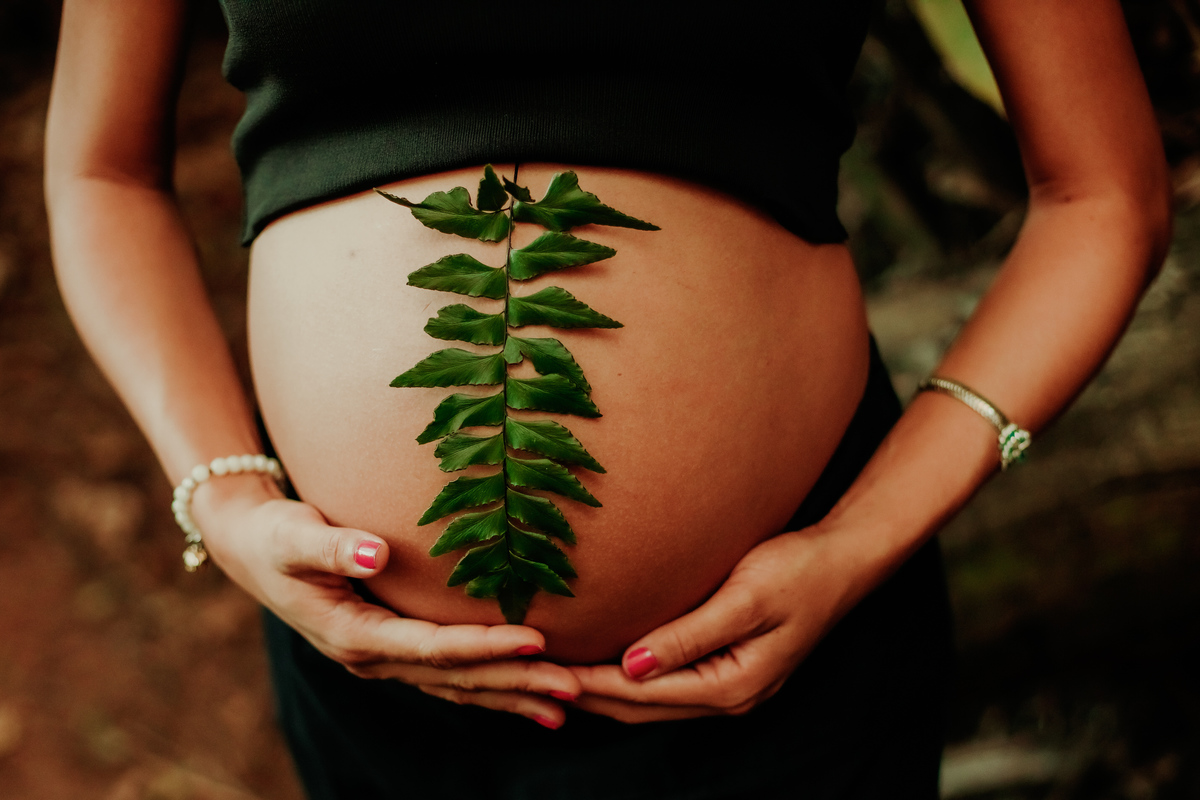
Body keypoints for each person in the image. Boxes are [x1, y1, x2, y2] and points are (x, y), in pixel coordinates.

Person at [44, 1, 1170, 798]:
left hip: (795, 666)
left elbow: (1102, 192)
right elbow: (100, 169)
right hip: (379, 683)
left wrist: (865, 536)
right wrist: (224, 497)